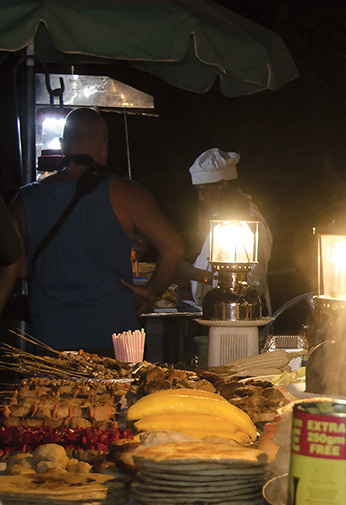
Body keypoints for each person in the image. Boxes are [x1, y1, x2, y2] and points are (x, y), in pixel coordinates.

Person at [2, 108, 184, 352]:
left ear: (63, 146)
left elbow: (18, 267)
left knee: (46, 392)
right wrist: (152, 291)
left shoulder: (26, 199)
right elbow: (175, 249)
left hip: (48, 340)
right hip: (114, 341)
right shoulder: (128, 193)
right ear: (104, 146)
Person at [182, 148, 273, 312]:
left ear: (222, 186)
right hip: (215, 314)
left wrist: (195, 274)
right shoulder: (220, 221)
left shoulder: (246, 222)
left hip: (239, 317)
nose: (200, 199)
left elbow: (252, 284)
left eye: (203, 191)